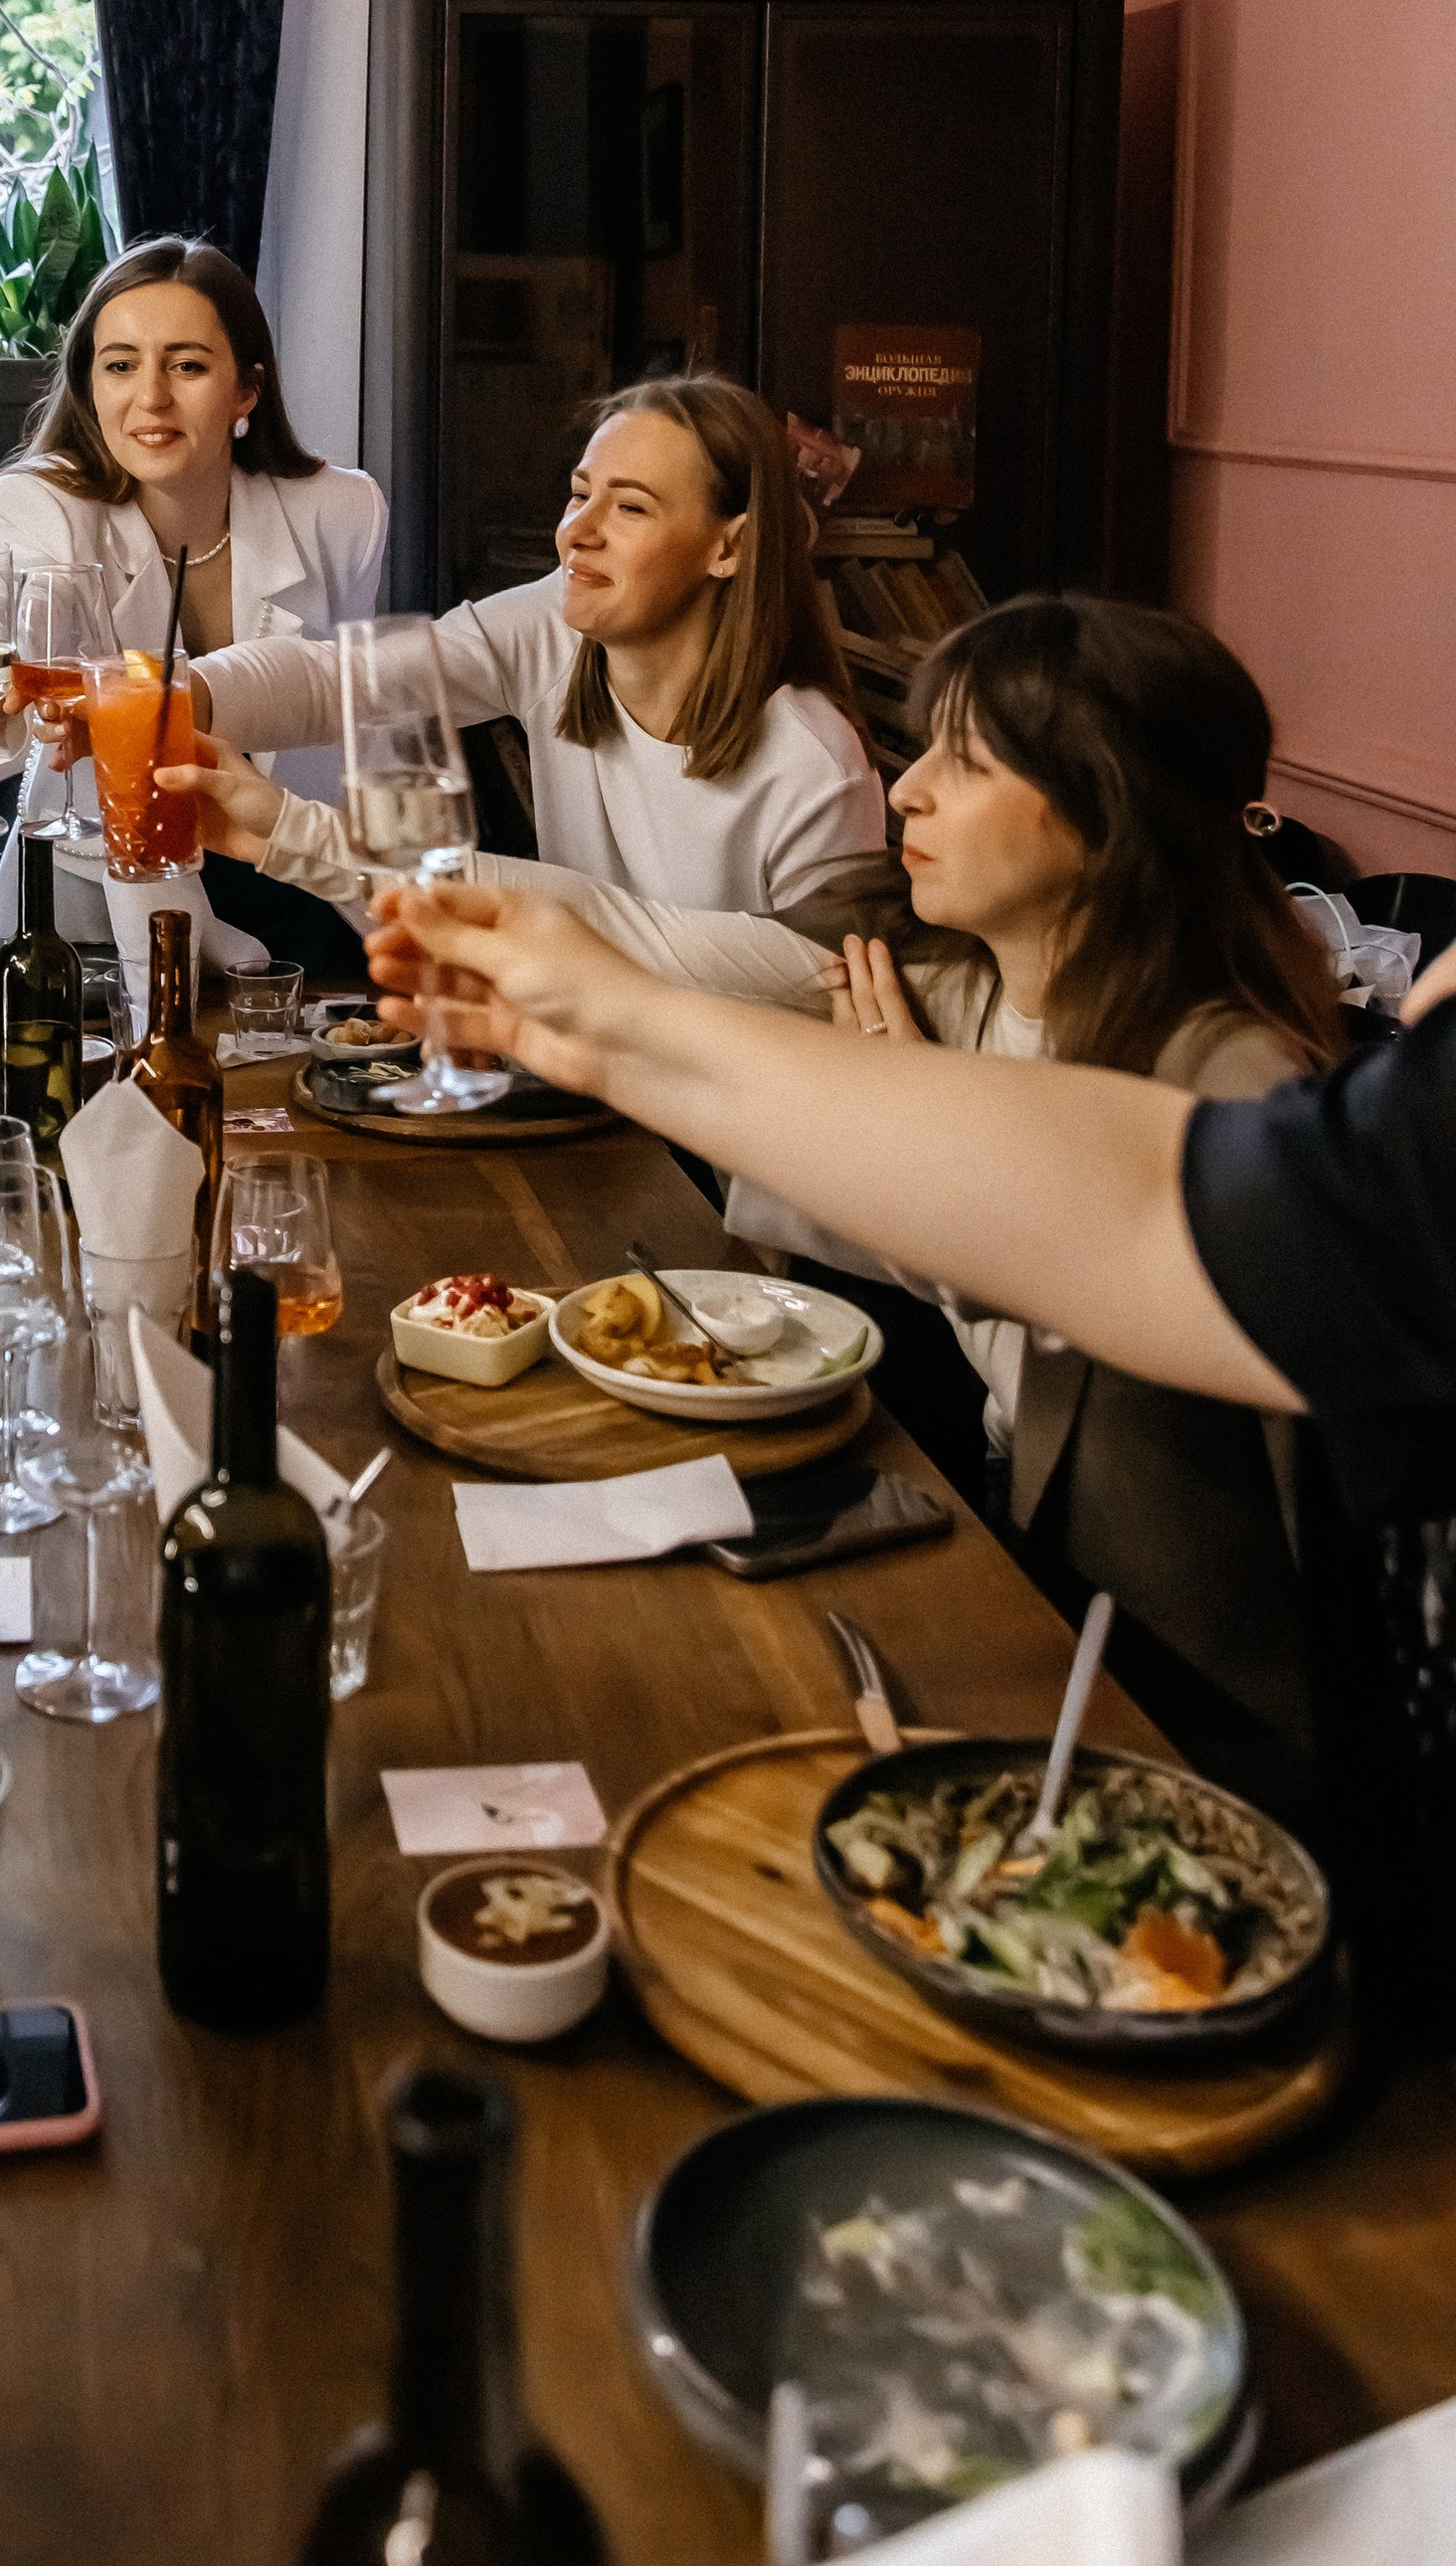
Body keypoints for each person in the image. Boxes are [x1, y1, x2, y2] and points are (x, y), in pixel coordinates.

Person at [229, 597, 1337, 1814]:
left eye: (962, 765)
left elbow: (1313, 1512)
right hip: (1010, 1551)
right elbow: (630, 946)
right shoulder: (923, 977)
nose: (907, 792)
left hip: (1179, 1707)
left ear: (1105, 807)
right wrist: (284, 831)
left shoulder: (1231, 1089)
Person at [372, 833, 1456, 2006]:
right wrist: (605, 1029)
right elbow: (1144, 1210)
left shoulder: (1234, 1059)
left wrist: (616, 1026)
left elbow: (1150, 1218)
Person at [187, 369, 885, 928]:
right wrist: (183, 697)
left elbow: (801, 1007)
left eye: (631, 506)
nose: (577, 531)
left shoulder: (814, 768)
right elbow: (336, 681)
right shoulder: (559, 627)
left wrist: (290, 831)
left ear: (729, 546)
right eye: (579, 494)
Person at [0, 236, 387, 975]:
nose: (150, 396)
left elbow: (348, 703)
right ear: (90, 385)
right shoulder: (43, 504)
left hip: (294, 869)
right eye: (119, 365)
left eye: (186, 365)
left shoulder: (342, 512)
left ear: (247, 390)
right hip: (107, 883)